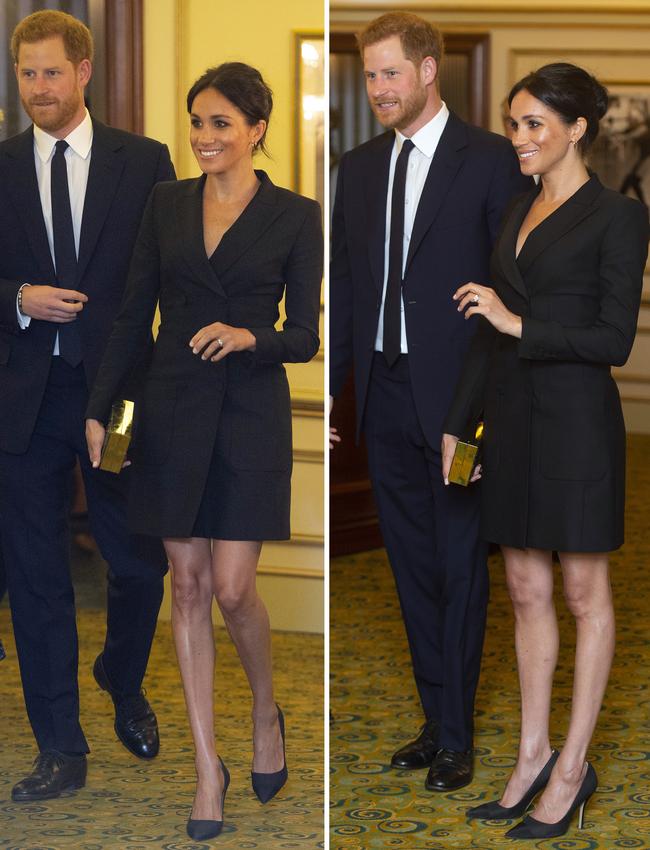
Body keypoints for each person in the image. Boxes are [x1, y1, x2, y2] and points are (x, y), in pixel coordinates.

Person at [85, 62, 323, 839]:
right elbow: (132, 316)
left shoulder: (297, 215)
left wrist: (252, 334)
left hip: (250, 411)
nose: (204, 137)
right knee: (184, 588)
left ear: (257, 128)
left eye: (221, 123)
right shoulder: (165, 203)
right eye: (197, 122)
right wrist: (104, 411)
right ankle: (206, 769)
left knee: (230, 589)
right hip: (169, 410)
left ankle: (265, 713)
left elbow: (304, 335)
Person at [443, 62, 649, 839]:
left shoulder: (618, 218)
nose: (519, 138)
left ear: (576, 129)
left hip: (575, 425)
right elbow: (483, 325)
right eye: (514, 123)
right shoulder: (518, 210)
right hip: (512, 420)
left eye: (533, 124)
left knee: (584, 594)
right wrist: (461, 425)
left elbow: (612, 340)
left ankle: (573, 767)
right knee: (525, 591)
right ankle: (530, 755)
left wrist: (516, 324)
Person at [329, 11, 530, 791]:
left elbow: (501, 298)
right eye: (368, 75)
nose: (377, 88)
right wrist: (341, 401)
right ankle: (434, 714)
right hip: (381, 394)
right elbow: (350, 285)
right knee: (408, 566)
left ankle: (457, 734)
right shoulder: (358, 165)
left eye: (388, 73)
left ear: (425, 71)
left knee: (458, 566)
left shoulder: (488, 160)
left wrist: (473, 416)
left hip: (456, 402)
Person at [0, 10, 175, 801]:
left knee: (140, 564)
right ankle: (60, 750)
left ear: (84, 71)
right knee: (37, 579)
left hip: (120, 398)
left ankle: (122, 673)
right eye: (25, 74)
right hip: (23, 404)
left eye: (50, 72)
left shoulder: (145, 164)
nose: (38, 88)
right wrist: (20, 298)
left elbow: (169, 277)